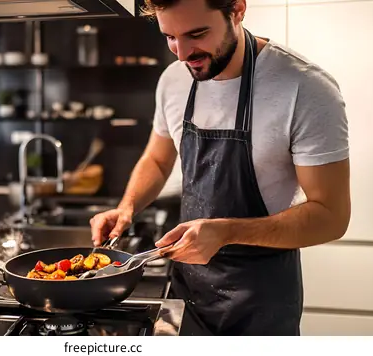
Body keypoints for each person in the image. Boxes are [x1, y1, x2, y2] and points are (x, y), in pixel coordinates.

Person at [89, 0, 351, 336]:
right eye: (169, 36)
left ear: (237, 10)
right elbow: (157, 160)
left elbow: (331, 216)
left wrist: (226, 232)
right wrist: (127, 207)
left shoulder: (305, 87)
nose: (182, 53)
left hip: (262, 304)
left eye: (196, 34)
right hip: (187, 297)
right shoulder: (174, 79)